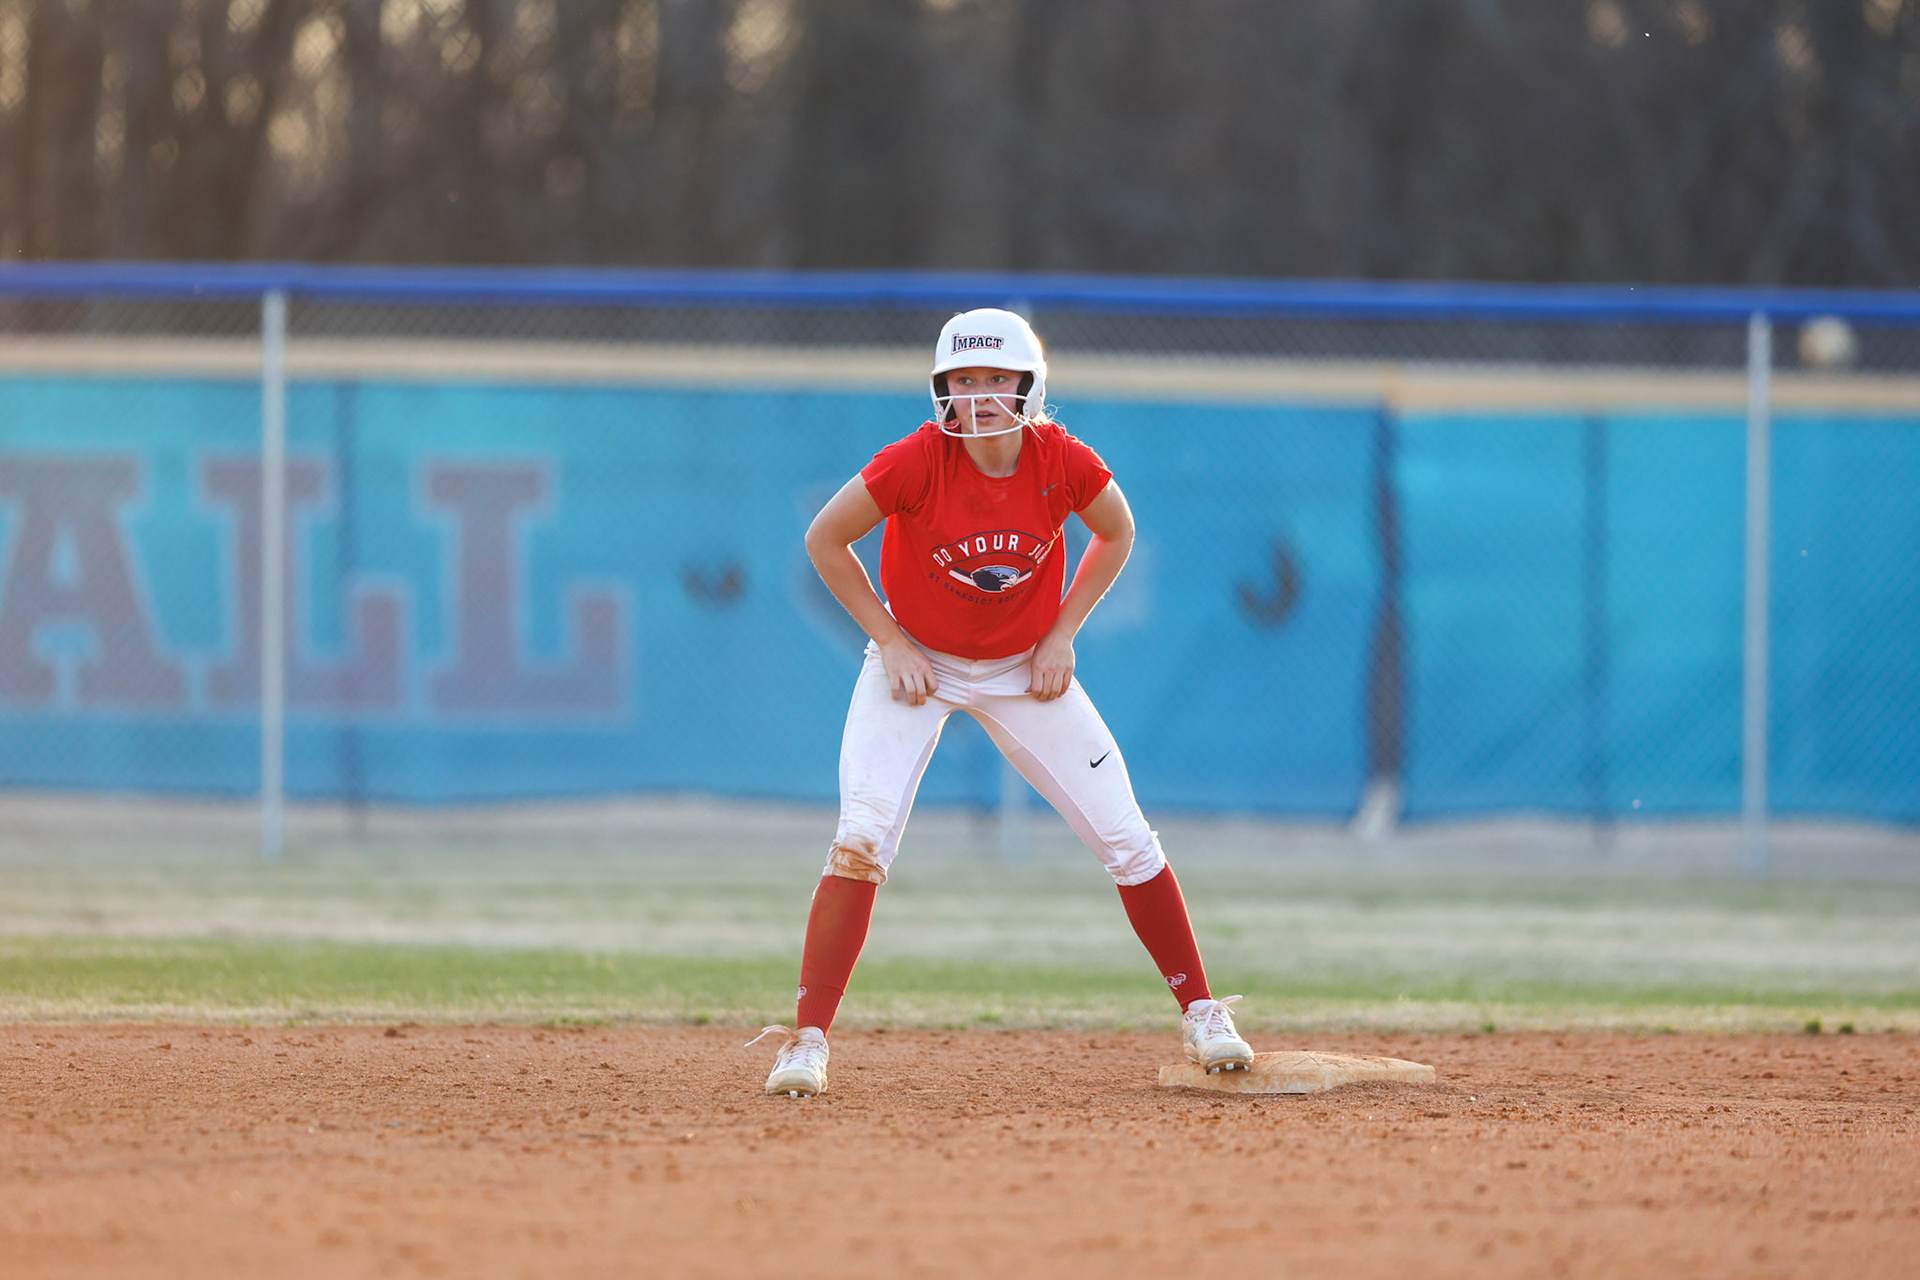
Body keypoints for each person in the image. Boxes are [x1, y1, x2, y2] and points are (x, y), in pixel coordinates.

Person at [749, 309, 1253, 1097]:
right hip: (920, 663)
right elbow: (824, 538)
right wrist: (889, 640)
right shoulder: (917, 459)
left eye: (994, 379)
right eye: (962, 380)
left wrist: (1061, 635)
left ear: (1028, 386)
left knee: (1125, 833)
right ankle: (806, 1041)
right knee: (860, 838)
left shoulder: (1061, 458)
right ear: (941, 391)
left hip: (1024, 665)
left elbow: (1115, 532)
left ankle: (1202, 1012)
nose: (978, 395)